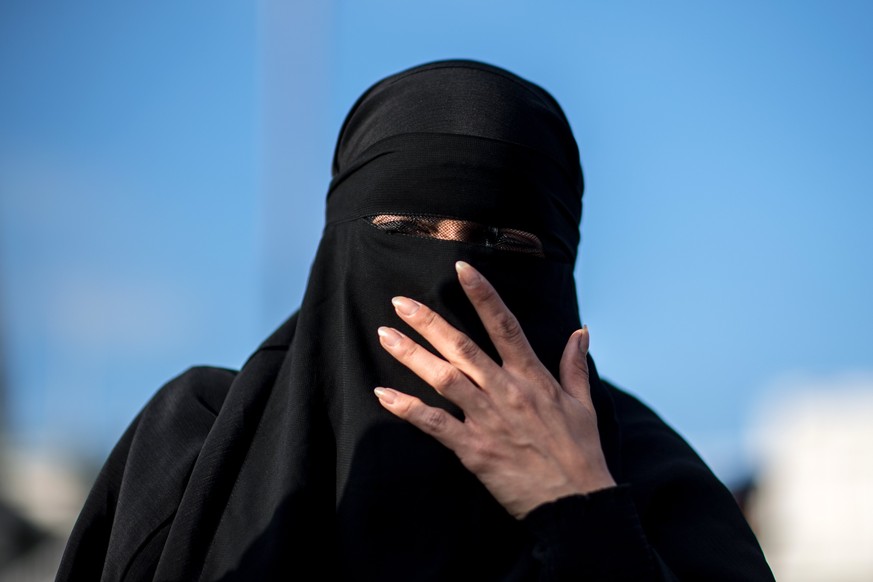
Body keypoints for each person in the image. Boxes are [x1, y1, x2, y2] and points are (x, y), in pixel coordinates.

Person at [56, 59, 774, 581]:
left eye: (504, 244)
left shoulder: (648, 481)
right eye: (404, 227)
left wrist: (579, 509)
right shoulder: (198, 443)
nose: (453, 276)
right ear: (339, 243)